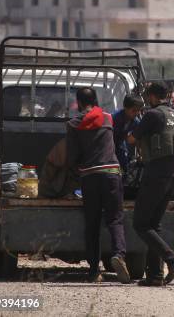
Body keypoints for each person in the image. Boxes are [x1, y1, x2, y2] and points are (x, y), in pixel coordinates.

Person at [128, 82, 174, 286]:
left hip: (156, 174)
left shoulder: (153, 114)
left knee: (140, 224)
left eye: (148, 96)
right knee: (153, 225)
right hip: (173, 174)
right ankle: (155, 276)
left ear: (153, 96)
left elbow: (131, 139)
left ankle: (172, 260)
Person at [66, 87, 130, 284]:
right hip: (111, 173)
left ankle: (94, 271)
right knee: (114, 219)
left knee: (92, 224)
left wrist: (73, 173)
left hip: (89, 176)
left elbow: (72, 157)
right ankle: (119, 255)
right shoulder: (108, 119)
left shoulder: (74, 124)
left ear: (78, 102)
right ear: (95, 100)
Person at [112, 94, 144, 176]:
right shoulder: (114, 118)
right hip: (110, 148)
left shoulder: (135, 121)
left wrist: (141, 154)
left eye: (138, 110)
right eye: (134, 110)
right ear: (125, 108)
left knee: (124, 168)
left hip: (120, 147)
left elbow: (138, 136)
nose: (136, 113)